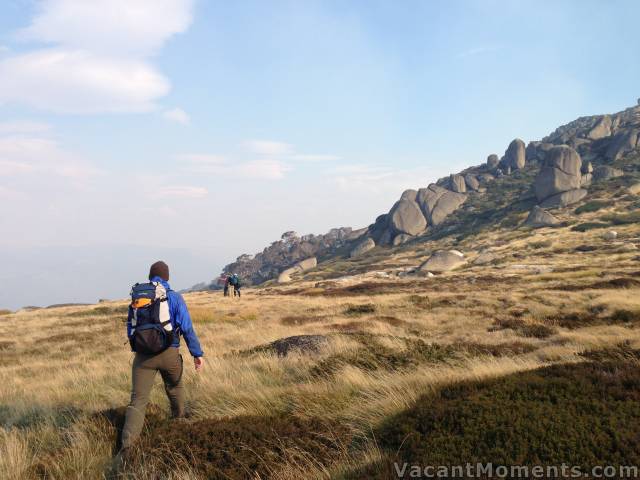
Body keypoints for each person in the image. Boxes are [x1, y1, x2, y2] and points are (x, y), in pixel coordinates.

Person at [120, 261, 204, 452]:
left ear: (150, 277)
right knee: (175, 387)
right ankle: (180, 425)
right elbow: (187, 328)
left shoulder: (138, 299)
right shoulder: (174, 297)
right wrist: (197, 354)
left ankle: (127, 449)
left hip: (143, 358)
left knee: (138, 400)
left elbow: (130, 330)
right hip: (169, 354)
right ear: (167, 277)